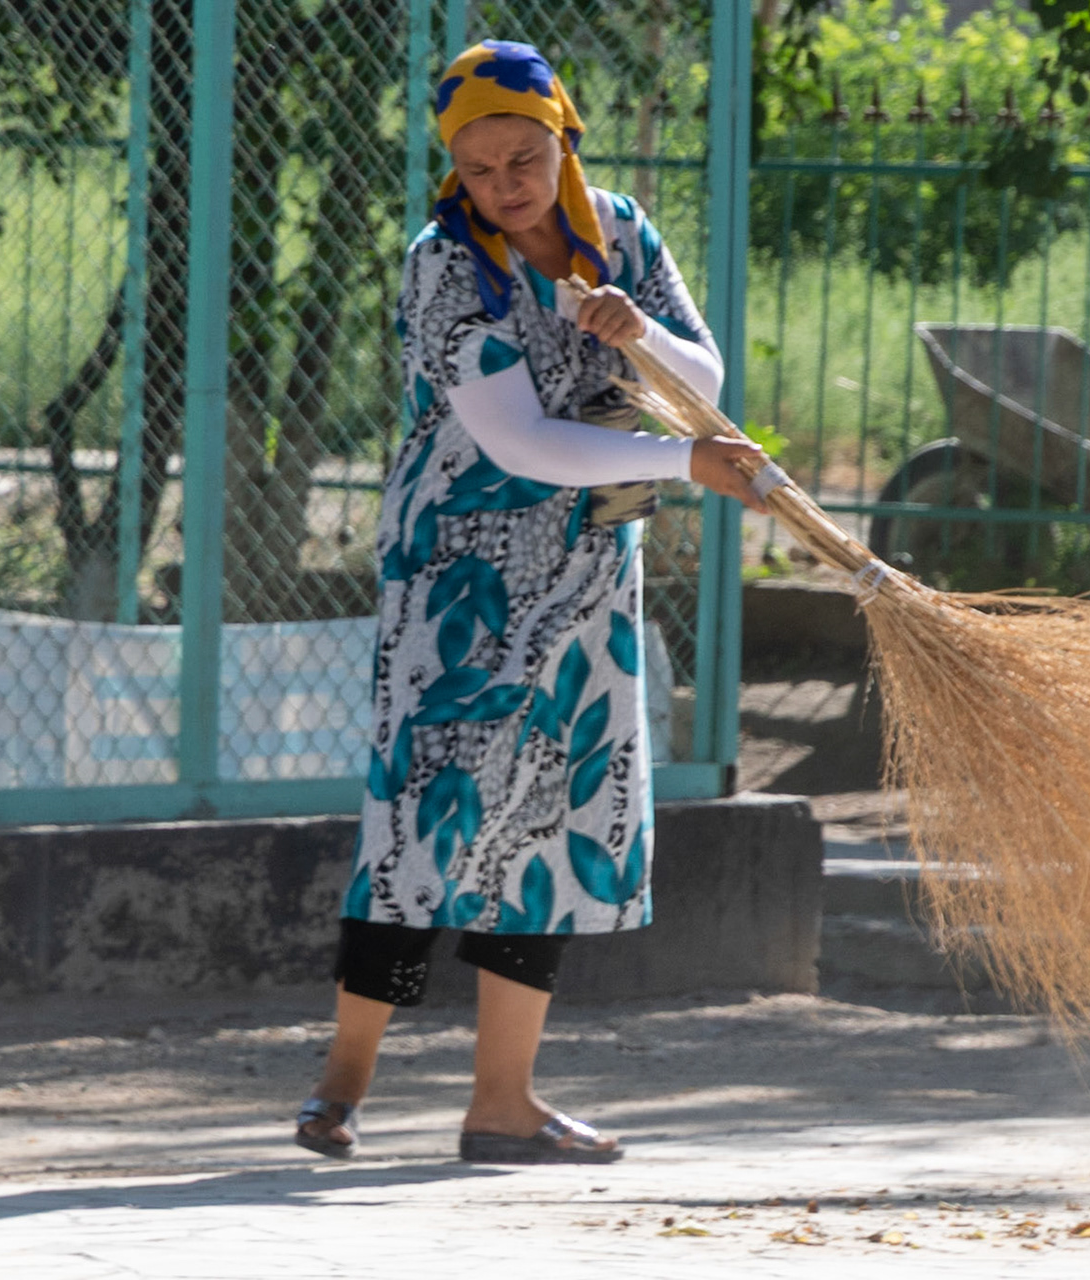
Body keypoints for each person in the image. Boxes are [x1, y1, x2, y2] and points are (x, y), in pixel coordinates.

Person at [293, 39, 765, 1166]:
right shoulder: (443, 261)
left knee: (552, 821)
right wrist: (677, 469)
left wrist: (634, 331)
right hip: (457, 572)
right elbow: (514, 439)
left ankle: (502, 1105)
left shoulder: (622, 227)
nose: (507, 181)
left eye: (526, 154)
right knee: (423, 813)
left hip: (589, 569)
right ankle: (341, 1087)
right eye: (480, 162)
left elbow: (704, 381)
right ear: (452, 164)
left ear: (564, 135)